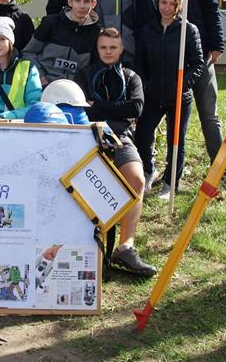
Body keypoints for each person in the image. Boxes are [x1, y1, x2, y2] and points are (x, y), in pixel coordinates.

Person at [133, 0, 225, 168]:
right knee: (156, 119)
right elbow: (142, 23)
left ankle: (219, 169)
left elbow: (211, 7)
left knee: (208, 114)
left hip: (198, 56)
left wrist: (216, 43)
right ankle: (152, 169)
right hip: (162, 62)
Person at [75, 27, 156, 276]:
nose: (108, 52)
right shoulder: (84, 74)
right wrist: (114, 108)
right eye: (103, 47)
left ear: (121, 49)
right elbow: (81, 109)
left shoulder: (131, 77)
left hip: (120, 135)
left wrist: (99, 105)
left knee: (137, 179)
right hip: (87, 135)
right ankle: (87, 246)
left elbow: (136, 107)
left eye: (113, 47)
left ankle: (125, 247)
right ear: (97, 49)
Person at [134, 0, 204, 195]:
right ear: (158, 3)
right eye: (163, 2)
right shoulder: (148, 29)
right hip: (152, 95)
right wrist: (145, 84)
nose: (167, 7)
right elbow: (139, 61)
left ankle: (170, 184)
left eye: (172, 3)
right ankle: (149, 171)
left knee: (176, 142)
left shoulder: (188, 30)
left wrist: (182, 84)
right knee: (142, 135)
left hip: (179, 97)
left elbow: (197, 64)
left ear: (178, 5)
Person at [23, 0, 100, 86]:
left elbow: (95, 67)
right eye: (77, 0)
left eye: (86, 1)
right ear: (70, 1)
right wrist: (40, 76)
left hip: (75, 89)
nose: (82, 6)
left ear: (93, 4)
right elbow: (28, 53)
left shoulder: (96, 33)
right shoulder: (50, 23)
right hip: (44, 85)